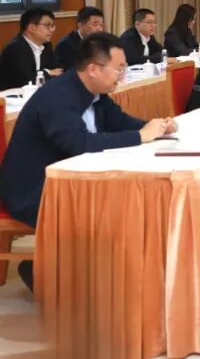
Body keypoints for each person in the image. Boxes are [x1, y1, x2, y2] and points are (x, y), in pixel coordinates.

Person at [0, 32, 176, 291]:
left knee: (129, 198)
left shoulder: (94, 91)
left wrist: (156, 127)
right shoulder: (57, 96)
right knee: (113, 206)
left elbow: (120, 122)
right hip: (34, 188)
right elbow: (78, 144)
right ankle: (47, 271)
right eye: (119, 69)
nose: (122, 76)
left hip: (68, 180)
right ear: (93, 69)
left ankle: (120, 276)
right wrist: (140, 136)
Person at [0, 7, 63, 90]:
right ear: (32, 27)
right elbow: (26, 81)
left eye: (52, 26)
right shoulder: (15, 48)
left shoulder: (47, 46)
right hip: (12, 95)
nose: (52, 30)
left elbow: (58, 71)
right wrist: (48, 72)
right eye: (47, 25)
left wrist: (45, 73)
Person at [54, 6, 105, 71]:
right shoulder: (65, 45)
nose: (99, 29)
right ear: (80, 25)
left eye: (101, 25)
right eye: (95, 25)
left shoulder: (101, 41)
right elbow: (68, 71)